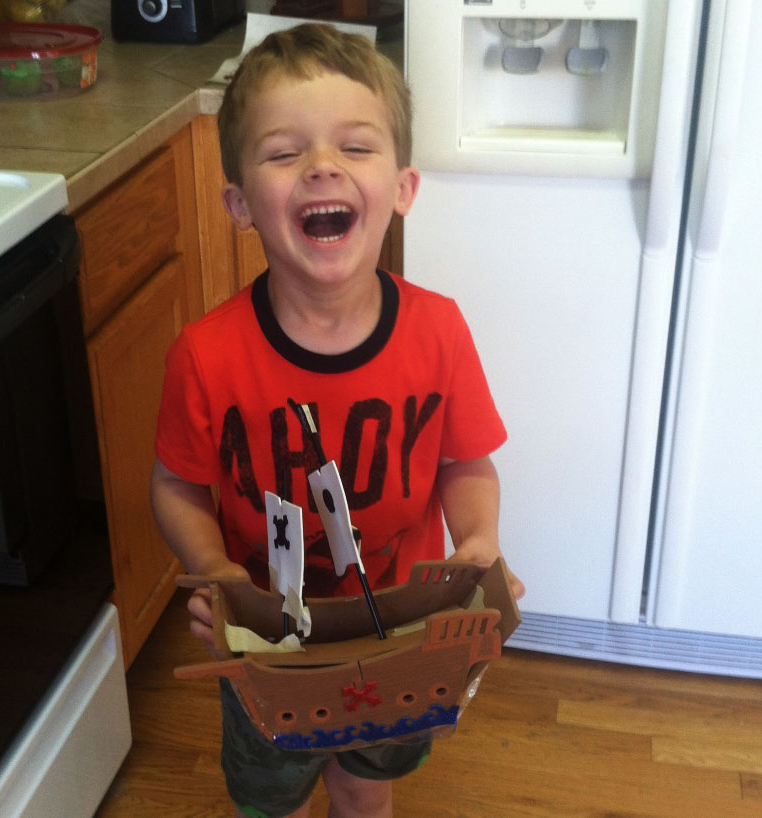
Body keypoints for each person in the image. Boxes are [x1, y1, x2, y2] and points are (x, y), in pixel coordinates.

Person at [150, 22, 525, 818]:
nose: (322, 164)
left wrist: (478, 541)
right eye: (285, 152)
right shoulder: (204, 355)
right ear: (240, 204)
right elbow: (176, 485)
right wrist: (212, 567)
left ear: (403, 188)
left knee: (365, 789)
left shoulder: (440, 332)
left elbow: (465, 461)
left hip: (397, 639)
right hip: (266, 646)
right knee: (273, 800)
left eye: (355, 146)